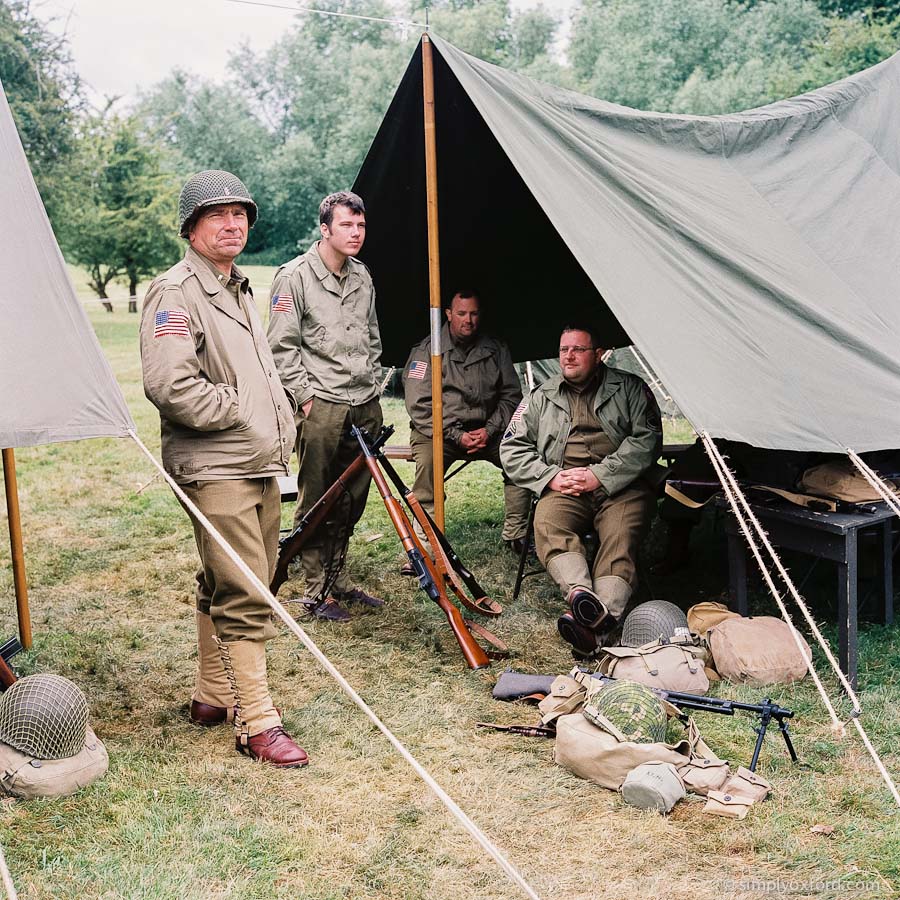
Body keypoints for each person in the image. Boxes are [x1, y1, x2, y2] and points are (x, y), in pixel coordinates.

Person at [140, 170, 307, 768]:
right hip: (217, 463)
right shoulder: (176, 291)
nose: (232, 224)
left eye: (240, 214)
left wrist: (277, 412)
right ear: (191, 227)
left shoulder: (237, 286)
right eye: (217, 215)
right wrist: (241, 410)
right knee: (245, 585)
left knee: (228, 576)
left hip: (255, 460)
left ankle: (212, 695)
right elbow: (170, 383)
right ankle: (257, 722)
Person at [500, 324, 662, 657]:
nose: (569, 356)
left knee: (621, 535)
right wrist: (550, 478)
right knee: (547, 522)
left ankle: (596, 622)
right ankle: (582, 598)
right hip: (564, 486)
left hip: (621, 487)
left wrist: (600, 475)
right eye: (563, 350)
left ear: (599, 354)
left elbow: (647, 440)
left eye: (578, 349)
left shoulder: (630, 388)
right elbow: (511, 447)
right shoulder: (540, 396)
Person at [267, 191, 383, 622]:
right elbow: (281, 347)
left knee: (353, 498)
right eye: (347, 225)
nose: (356, 233)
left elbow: (371, 334)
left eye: (361, 225)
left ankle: (338, 578)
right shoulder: (293, 277)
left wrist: (372, 381)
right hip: (323, 405)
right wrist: (307, 399)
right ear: (325, 229)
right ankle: (316, 590)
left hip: (363, 402)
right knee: (318, 498)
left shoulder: (363, 276)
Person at [402, 290, 532, 565]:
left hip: (489, 430)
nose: (468, 320)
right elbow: (419, 405)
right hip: (439, 432)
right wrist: (455, 435)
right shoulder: (426, 350)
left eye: (474, 314)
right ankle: (423, 549)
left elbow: (512, 395)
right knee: (428, 470)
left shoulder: (496, 348)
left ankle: (517, 535)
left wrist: (490, 429)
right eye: (461, 313)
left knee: (521, 459)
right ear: (448, 314)